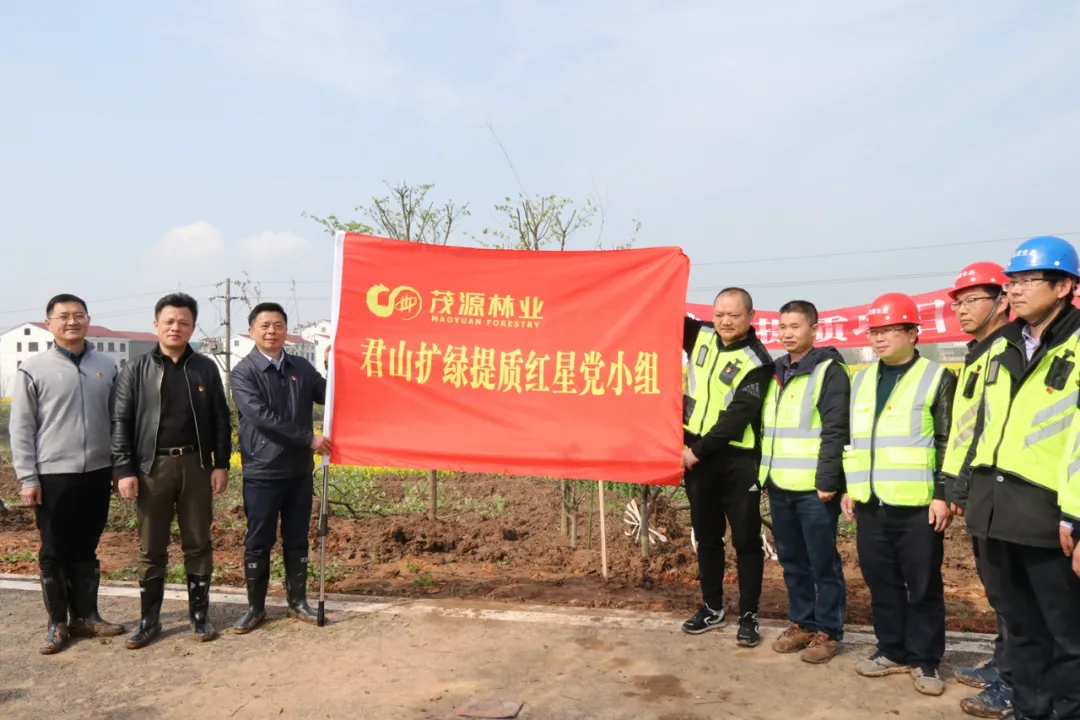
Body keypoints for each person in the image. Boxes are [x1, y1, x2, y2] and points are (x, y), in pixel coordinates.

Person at [964, 236, 1080, 720]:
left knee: (1067, 636)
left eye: (1030, 280)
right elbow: (980, 426)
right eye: (1013, 281)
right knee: (1022, 628)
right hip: (996, 509)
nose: (1016, 290)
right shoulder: (1005, 345)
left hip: (1050, 516)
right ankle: (1028, 710)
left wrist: (1075, 515)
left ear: (1064, 286)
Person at [841, 292, 956, 696]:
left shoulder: (937, 377)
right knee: (881, 581)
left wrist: (943, 494)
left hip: (918, 504)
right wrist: (850, 488)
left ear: (913, 332)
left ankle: (925, 660)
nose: (880, 338)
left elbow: (947, 440)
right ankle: (892, 649)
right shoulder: (862, 380)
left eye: (890, 329)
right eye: (875, 331)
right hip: (871, 503)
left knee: (923, 584)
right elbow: (855, 439)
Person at [112, 293, 232, 649]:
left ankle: (200, 616)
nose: (175, 327)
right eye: (169, 321)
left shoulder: (205, 368)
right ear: (156, 325)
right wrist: (125, 470)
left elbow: (220, 419)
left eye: (183, 322)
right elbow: (121, 421)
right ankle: (150, 620)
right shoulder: (136, 369)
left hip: (196, 465)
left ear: (192, 326)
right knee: (152, 547)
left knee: (198, 542)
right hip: (152, 467)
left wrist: (221, 463)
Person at [9, 294, 125, 653]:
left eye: (78, 315)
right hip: (52, 475)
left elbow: (118, 421)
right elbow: (21, 428)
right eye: (63, 317)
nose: (72, 322)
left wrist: (119, 467)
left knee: (86, 548)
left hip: (97, 472)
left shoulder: (107, 365)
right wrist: (28, 477)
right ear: (49, 324)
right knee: (54, 550)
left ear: (88, 319)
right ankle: (57, 623)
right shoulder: (34, 368)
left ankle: (87, 617)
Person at [939, 262, 1013, 718]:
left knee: (1014, 593)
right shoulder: (978, 353)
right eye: (958, 303)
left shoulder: (1009, 351)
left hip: (1008, 490)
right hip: (979, 489)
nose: (962, 310)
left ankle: (1017, 681)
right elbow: (966, 431)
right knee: (998, 589)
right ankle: (1006, 663)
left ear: (1001, 300)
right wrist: (957, 487)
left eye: (973, 301)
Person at [681, 287, 774, 647]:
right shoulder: (701, 335)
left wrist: (696, 452)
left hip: (738, 461)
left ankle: (749, 615)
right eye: (719, 314)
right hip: (699, 460)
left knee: (746, 540)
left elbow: (738, 416)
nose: (724, 321)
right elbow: (660, 317)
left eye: (733, 315)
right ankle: (712, 607)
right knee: (707, 537)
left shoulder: (758, 360)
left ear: (750, 317)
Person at [229, 302, 330, 633]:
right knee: (258, 541)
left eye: (278, 325)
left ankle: (297, 602)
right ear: (251, 331)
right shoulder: (244, 372)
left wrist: (332, 362)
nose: (272, 331)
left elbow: (329, 395)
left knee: (297, 539)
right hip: (263, 471)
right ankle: (255, 608)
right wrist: (308, 438)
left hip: (299, 472)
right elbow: (261, 417)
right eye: (265, 326)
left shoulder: (300, 366)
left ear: (287, 330)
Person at [759, 300, 849, 664]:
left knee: (822, 561)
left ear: (814, 329)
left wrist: (828, 480)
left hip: (815, 489)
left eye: (795, 326)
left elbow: (835, 429)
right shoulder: (777, 370)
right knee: (792, 560)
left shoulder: (829, 370)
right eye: (782, 327)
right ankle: (803, 623)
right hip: (780, 485)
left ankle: (829, 631)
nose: (787, 333)